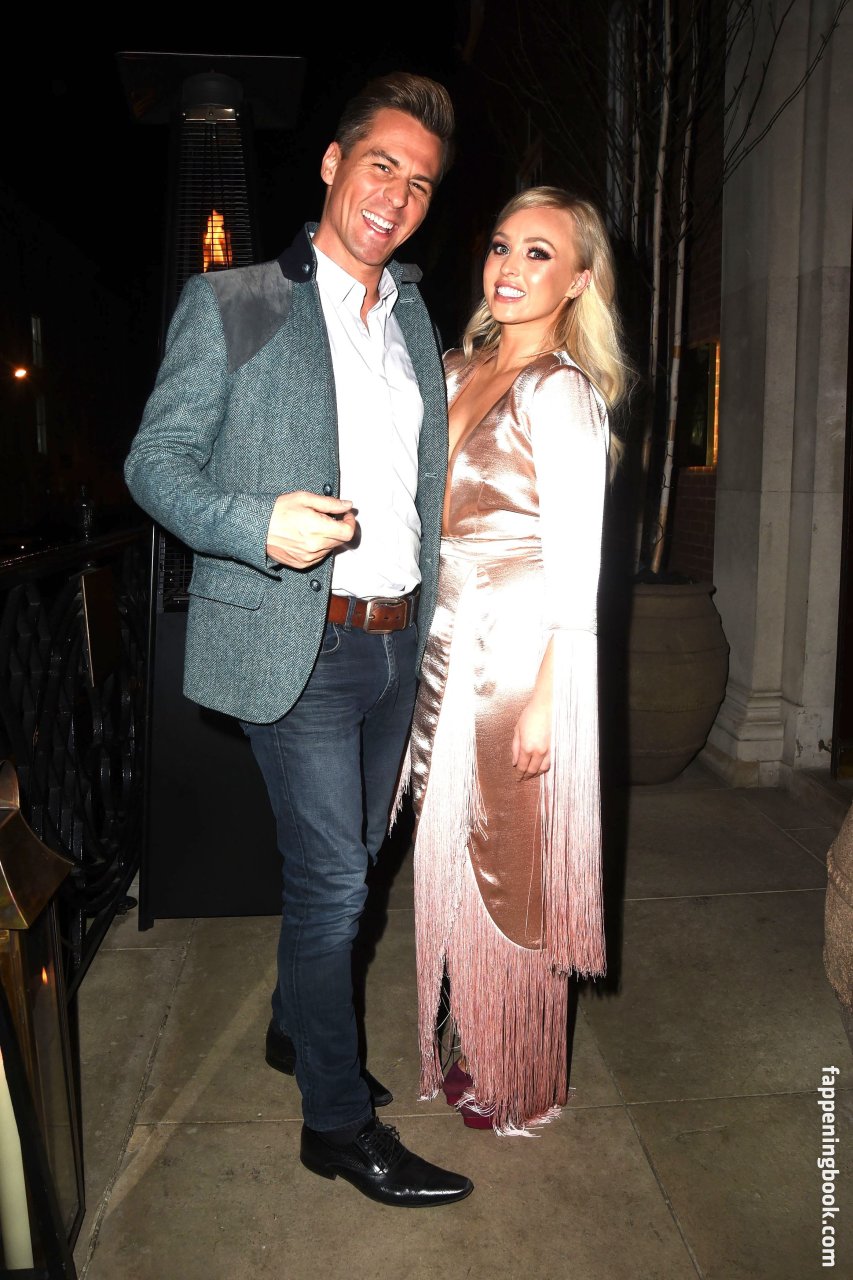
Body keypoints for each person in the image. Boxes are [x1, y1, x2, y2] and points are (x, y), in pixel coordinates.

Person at [124, 71, 474, 1207]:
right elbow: (153, 462)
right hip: (302, 641)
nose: (397, 196)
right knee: (331, 885)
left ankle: (292, 1023)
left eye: (420, 183)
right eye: (380, 165)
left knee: (353, 869)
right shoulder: (235, 302)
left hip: (395, 640)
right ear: (331, 164)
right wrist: (252, 523)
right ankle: (335, 1122)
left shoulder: (412, 313)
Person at [396, 185, 633, 1135]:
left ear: (577, 281)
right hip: (443, 647)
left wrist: (550, 699)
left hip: (518, 658)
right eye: (501, 245)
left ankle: (522, 1074)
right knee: (453, 852)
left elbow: (579, 564)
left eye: (539, 253)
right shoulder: (456, 367)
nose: (510, 266)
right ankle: (480, 1039)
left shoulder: (561, 392)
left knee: (511, 867)